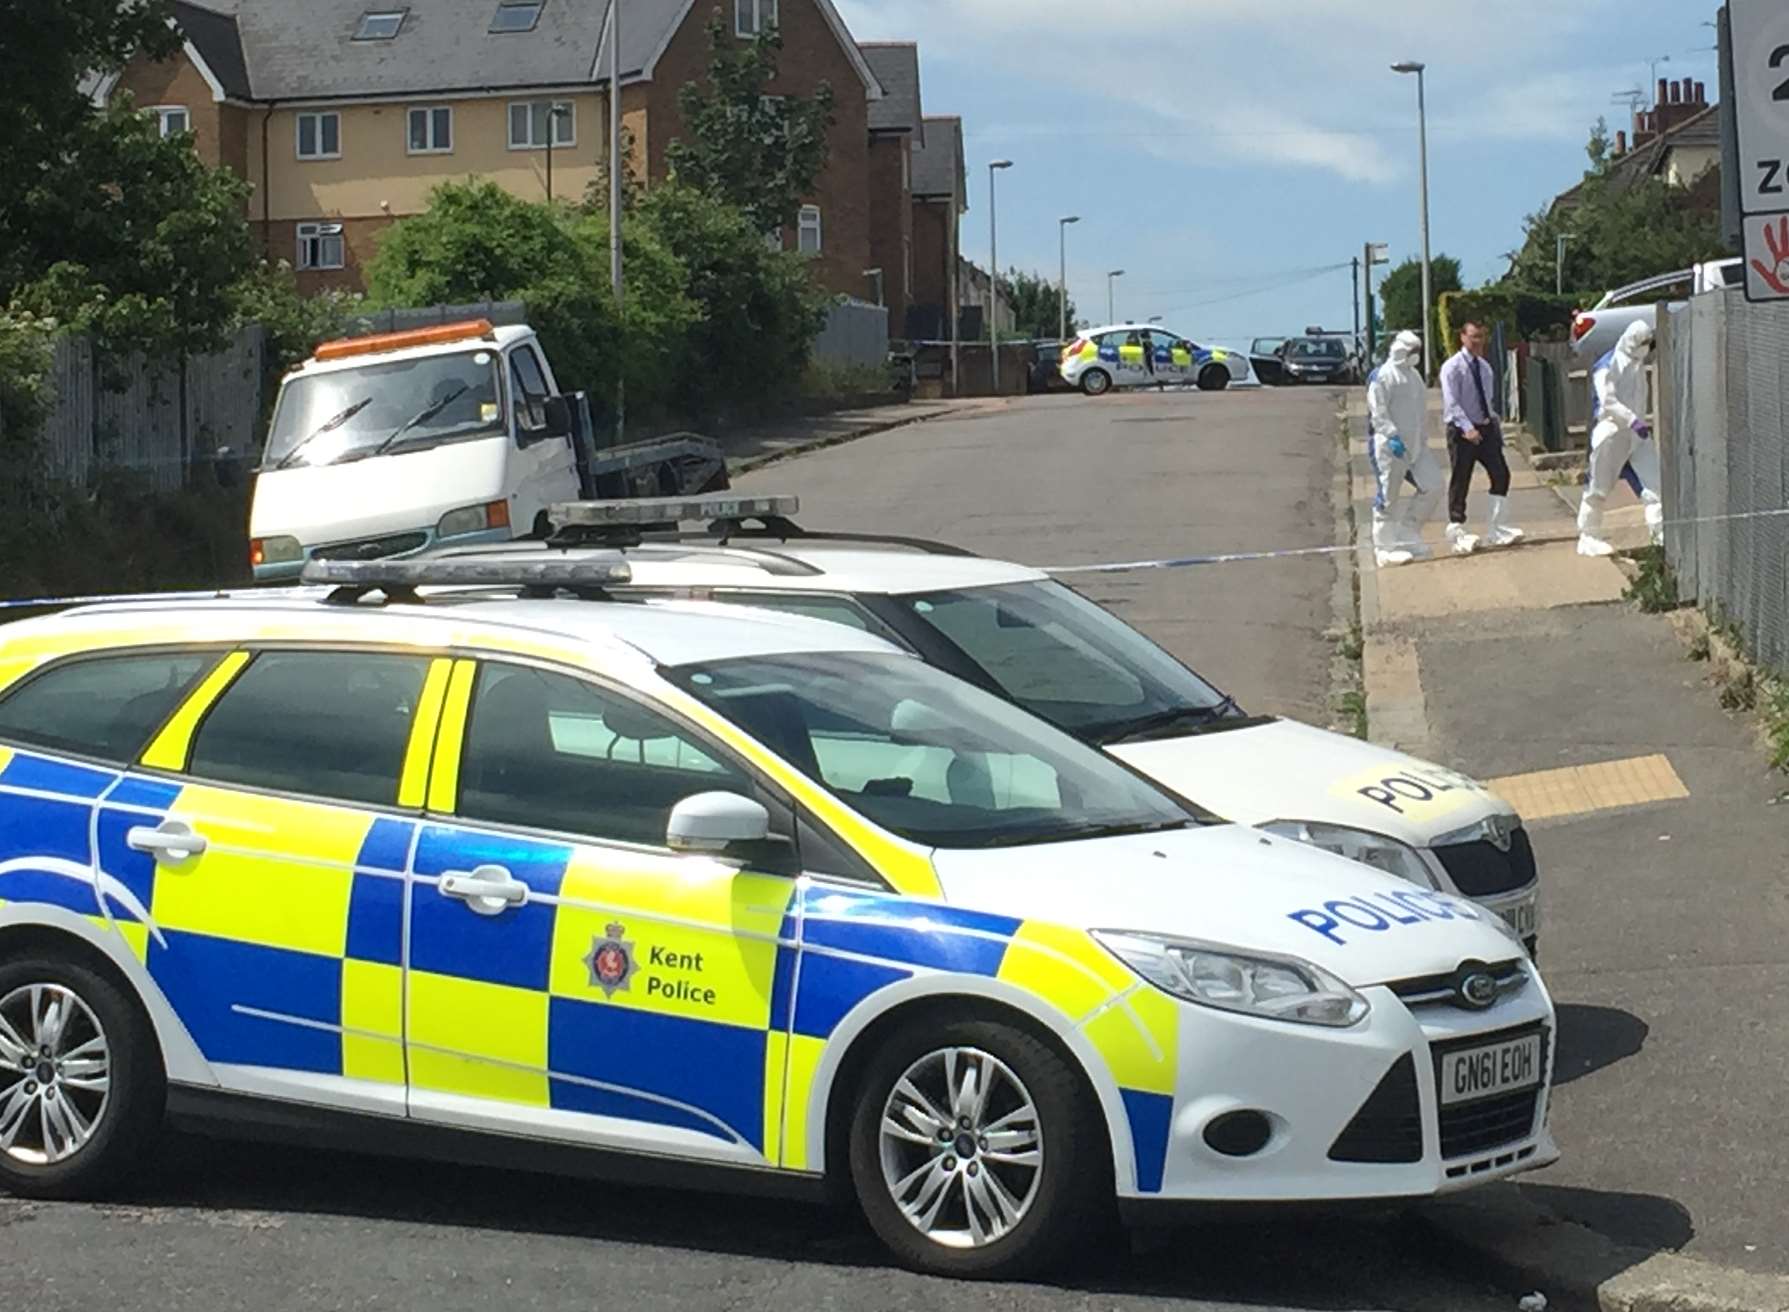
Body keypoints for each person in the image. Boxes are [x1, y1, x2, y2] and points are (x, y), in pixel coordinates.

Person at [1578, 320, 1662, 557]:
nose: (1646, 348)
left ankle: (1661, 534)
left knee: (1654, 483)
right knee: (1598, 488)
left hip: (1636, 433)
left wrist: (1638, 424)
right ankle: (1588, 536)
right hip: (1612, 431)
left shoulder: (1637, 362)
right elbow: (1607, 401)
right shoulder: (1607, 365)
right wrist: (1631, 419)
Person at [1439, 321, 1524, 554]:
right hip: (1461, 430)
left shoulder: (1485, 368)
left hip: (1485, 429)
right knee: (1461, 478)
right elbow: (1452, 403)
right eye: (1474, 337)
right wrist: (1467, 428)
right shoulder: (1452, 367)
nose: (1478, 342)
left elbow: (1487, 401)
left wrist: (1493, 425)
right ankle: (1457, 530)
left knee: (1501, 474)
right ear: (1463, 337)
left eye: (1481, 337)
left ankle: (1497, 527)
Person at [1365, 330, 1442, 566]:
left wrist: (1422, 437)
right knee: (1388, 497)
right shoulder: (1383, 376)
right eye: (1411, 351)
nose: (1415, 356)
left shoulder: (1414, 376)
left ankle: (1408, 534)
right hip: (1390, 447)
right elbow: (1377, 411)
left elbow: (1419, 410)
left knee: (1434, 486)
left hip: (1416, 445)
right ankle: (1384, 549)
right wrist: (1391, 435)